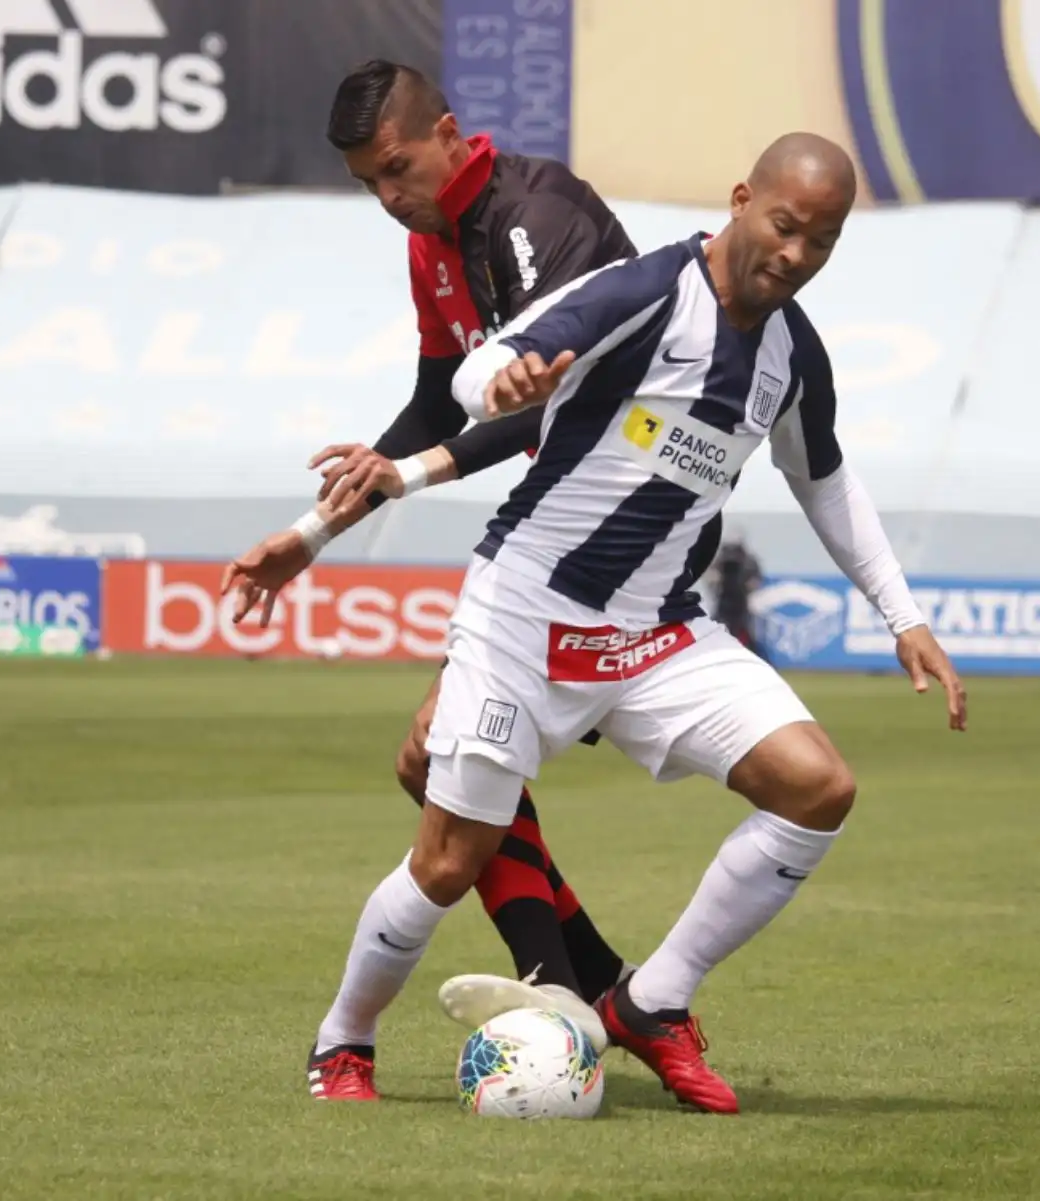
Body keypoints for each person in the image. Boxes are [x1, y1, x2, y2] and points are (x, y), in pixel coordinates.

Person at [301, 132, 967, 1115]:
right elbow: (480, 373)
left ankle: (650, 1001)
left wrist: (902, 615)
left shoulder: (792, 353)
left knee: (817, 787)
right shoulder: (646, 293)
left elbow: (821, 475)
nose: (795, 253)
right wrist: (506, 382)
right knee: (448, 861)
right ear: (743, 199)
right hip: (523, 617)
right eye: (785, 225)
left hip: (656, 635)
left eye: (821, 242)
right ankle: (342, 1041)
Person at [218, 60, 721, 1099]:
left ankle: (511, 1001)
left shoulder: (541, 214)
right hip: (557, 539)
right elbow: (436, 409)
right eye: (368, 183)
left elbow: (542, 409)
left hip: (616, 548)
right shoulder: (431, 244)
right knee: (434, 765)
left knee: (436, 773)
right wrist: (311, 532)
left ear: (448, 132)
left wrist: (397, 478)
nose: (389, 197)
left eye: (397, 169)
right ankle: (601, 989)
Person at [709, 537, 765, 656]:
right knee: (712, 628)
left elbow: (756, 579)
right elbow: (711, 577)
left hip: (740, 602)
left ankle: (757, 657)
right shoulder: (720, 560)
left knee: (746, 632)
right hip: (723, 601)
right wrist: (715, 583)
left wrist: (748, 586)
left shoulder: (748, 561)